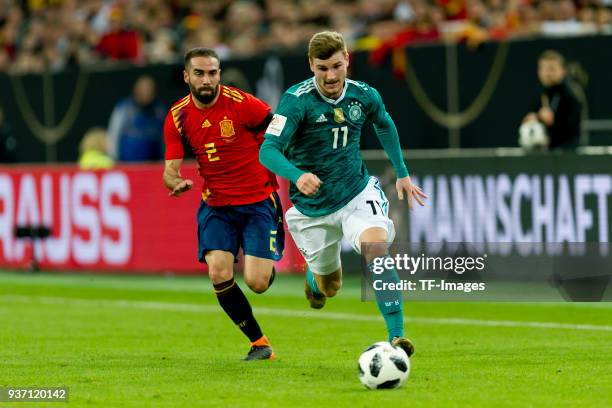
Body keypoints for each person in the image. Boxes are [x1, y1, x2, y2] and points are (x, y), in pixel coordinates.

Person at [259, 31, 427, 358]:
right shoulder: (296, 101)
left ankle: (397, 338)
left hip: (355, 191)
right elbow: (268, 149)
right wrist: (297, 174)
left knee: (375, 249)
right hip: (312, 207)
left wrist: (402, 172)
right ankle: (314, 275)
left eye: (337, 66)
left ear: (348, 59)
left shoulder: (364, 95)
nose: (331, 75)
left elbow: (384, 123)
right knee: (330, 287)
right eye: (322, 68)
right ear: (311, 65)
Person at [163, 47, 283, 361]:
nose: (207, 79)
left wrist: (286, 162)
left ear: (220, 74)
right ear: (186, 76)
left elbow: (279, 127)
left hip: (258, 200)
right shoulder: (178, 116)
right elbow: (170, 170)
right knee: (218, 272)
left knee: (257, 283)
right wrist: (175, 182)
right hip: (216, 205)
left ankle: (265, 268)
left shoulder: (243, 104)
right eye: (200, 73)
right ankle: (260, 343)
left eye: (213, 73)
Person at [522, 50, 583, 149]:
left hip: (568, 154)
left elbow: (572, 130)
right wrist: (535, 118)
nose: (547, 73)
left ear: (563, 71)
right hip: (546, 154)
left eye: (551, 69)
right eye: (543, 69)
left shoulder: (571, 93)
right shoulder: (542, 93)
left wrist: (552, 121)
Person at [108, 75, 166, 162]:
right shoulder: (124, 108)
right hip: (126, 164)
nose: (146, 94)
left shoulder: (159, 110)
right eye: (143, 91)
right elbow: (114, 134)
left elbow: (165, 138)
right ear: (136, 91)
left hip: (153, 165)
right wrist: (113, 159)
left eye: (149, 91)